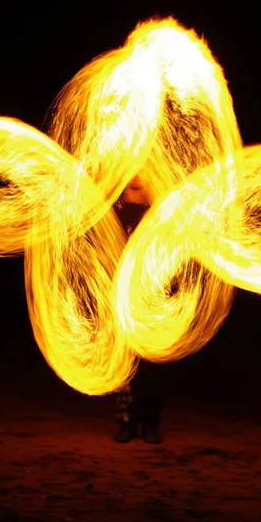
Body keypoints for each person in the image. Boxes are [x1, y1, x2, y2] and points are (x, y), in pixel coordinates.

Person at [112, 175, 163, 444]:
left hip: (151, 297)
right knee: (123, 363)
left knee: (150, 364)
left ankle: (150, 422)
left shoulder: (161, 211)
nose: (137, 175)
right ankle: (126, 421)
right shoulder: (113, 210)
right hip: (119, 295)